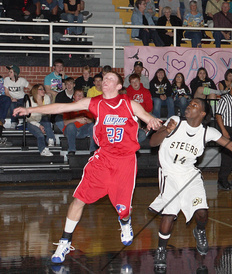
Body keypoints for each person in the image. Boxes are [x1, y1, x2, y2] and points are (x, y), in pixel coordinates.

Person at [13, 72, 162, 263]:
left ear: (118, 86)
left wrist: (153, 121)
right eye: (104, 79)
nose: (105, 81)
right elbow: (62, 106)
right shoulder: (95, 102)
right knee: (79, 199)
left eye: (110, 79)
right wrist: (31, 111)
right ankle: (65, 241)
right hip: (103, 158)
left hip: (125, 161)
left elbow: (147, 117)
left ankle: (125, 221)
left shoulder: (129, 103)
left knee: (124, 209)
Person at [149, 98, 232, 270]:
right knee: (169, 215)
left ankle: (200, 231)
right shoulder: (176, 121)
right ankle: (161, 250)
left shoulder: (207, 132)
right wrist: (166, 130)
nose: (189, 106)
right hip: (169, 173)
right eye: (189, 104)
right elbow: (152, 142)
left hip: (189, 174)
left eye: (194, 105)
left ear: (202, 114)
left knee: (202, 213)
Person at [215, 81, 232, 190]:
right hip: (227, 130)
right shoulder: (225, 99)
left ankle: (225, 181)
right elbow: (218, 115)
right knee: (226, 157)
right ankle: (222, 182)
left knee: (231, 157)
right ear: (230, 88)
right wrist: (223, 131)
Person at [61, 88, 96, 155]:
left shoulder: (87, 108)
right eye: (77, 95)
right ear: (73, 96)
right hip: (70, 131)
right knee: (71, 126)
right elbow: (65, 122)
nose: (79, 96)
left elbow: (92, 120)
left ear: (84, 97)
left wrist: (88, 120)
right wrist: (76, 119)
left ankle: (93, 150)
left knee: (92, 125)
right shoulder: (68, 107)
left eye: (81, 95)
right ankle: (71, 150)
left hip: (83, 130)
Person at [25, 84, 56, 156]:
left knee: (46, 119)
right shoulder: (30, 101)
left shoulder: (46, 98)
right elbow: (29, 118)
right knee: (40, 135)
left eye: (43, 89)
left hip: (43, 119)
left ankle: (50, 139)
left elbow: (47, 112)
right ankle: (43, 150)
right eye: (41, 89)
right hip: (32, 122)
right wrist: (39, 126)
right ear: (36, 91)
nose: (43, 91)